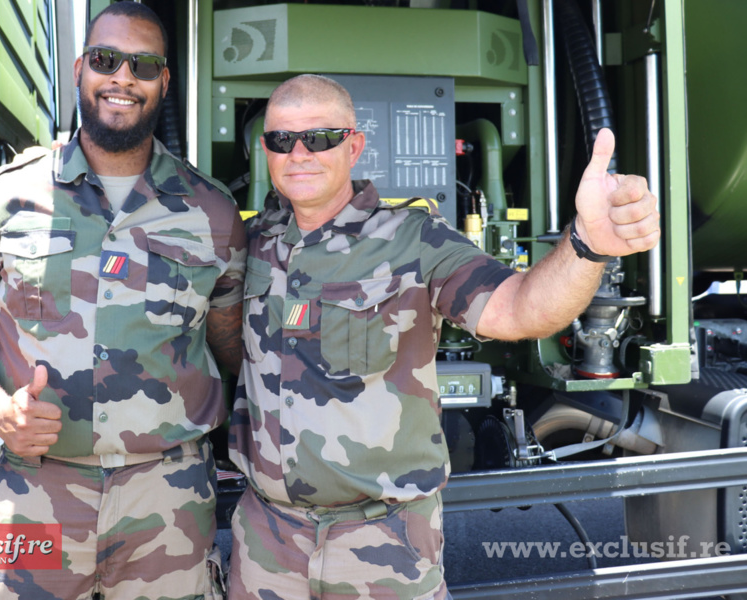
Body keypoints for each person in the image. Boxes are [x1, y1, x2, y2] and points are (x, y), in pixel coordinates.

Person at [226, 74, 659, 600]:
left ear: (354, 145)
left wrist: (587, 244)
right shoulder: (251, 244)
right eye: (281, 140)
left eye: (319, 138)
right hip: (266, 543)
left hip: (381, 545)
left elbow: (519, 308)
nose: (299, 153)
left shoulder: (415, 241)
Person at [0, 3, 245, 599]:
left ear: (164, 83)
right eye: (106, 60)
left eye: (143, 65)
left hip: (167, 503)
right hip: (36, 496)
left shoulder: (214, 213)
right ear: (80, 69)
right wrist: (0, 414)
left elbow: (232, 345)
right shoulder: (4, 200)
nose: (123, 78)